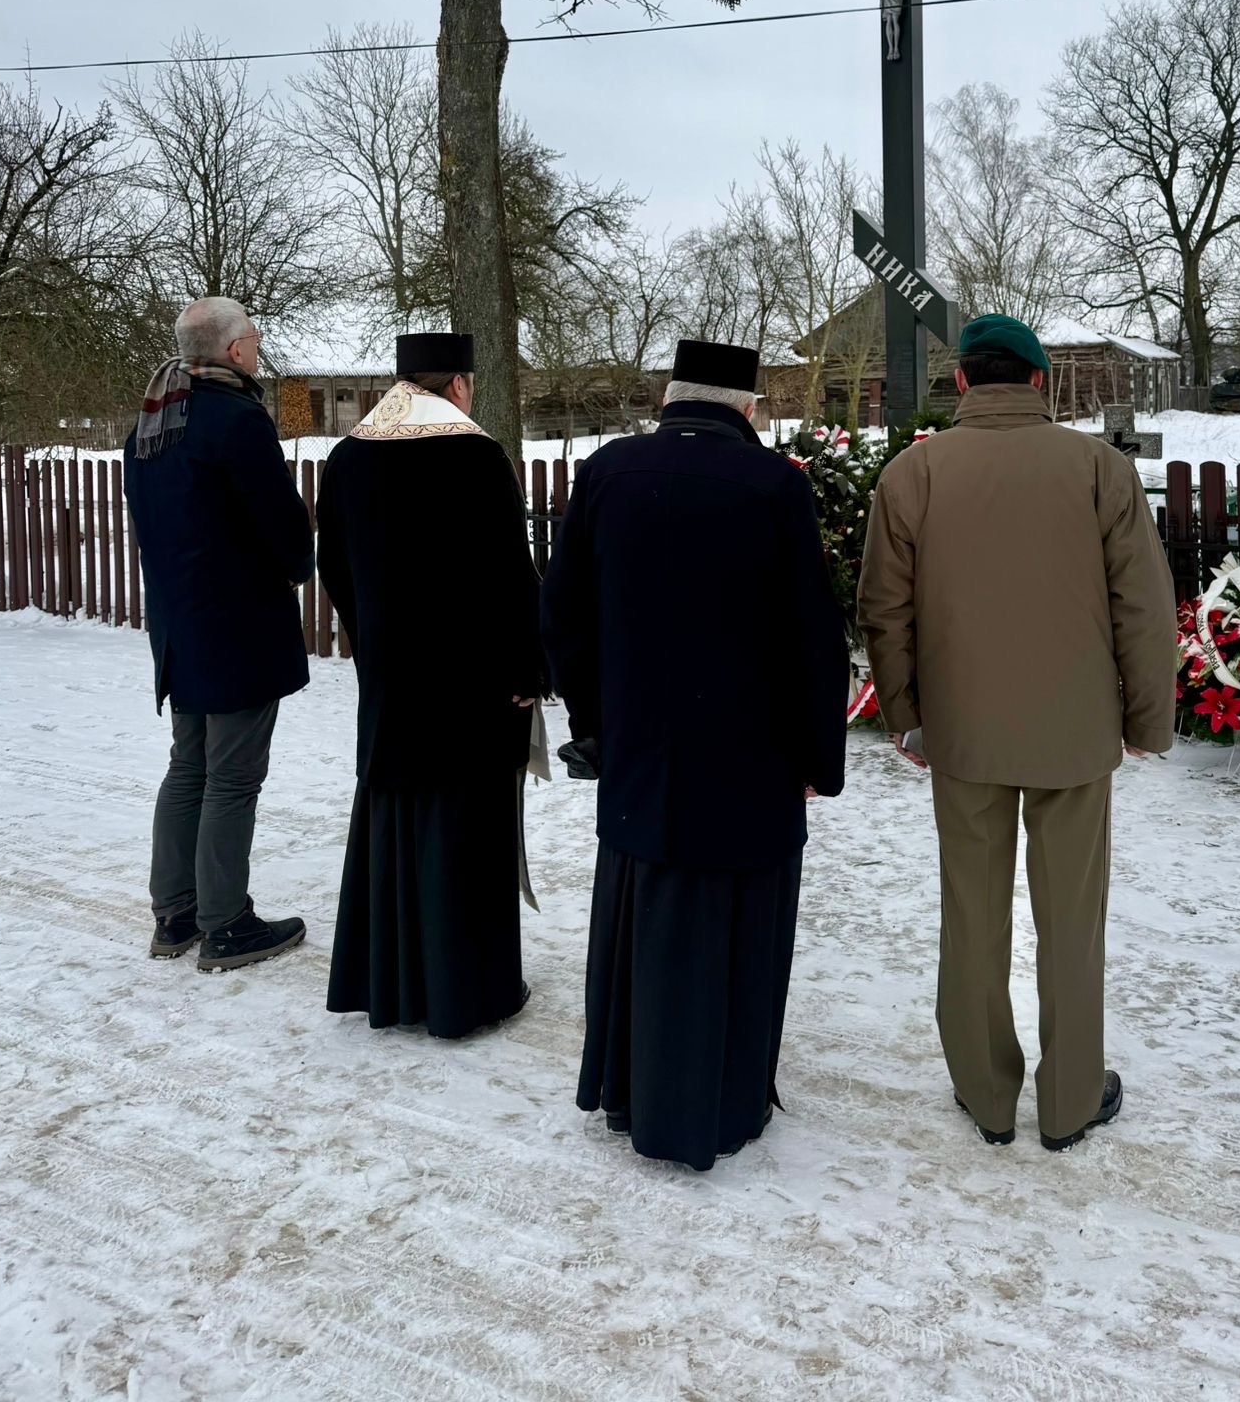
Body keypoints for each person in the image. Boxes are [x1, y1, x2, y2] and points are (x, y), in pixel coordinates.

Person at [857, 313, 1176, 1151]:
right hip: (1075, 731)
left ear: (962, 380)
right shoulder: (1099, 469)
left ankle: (985, 1091)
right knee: (1072, 918)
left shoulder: (913, 473)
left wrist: (906, 717)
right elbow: (1144, 606)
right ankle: (1070, 1100)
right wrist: (1148, 719)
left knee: (972, 913)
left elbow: (884, 609)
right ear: (1040, 381)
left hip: (962, 732)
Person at [541, 338, 850, 1171]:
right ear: (746, 408)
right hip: (749, 762)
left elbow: (563, 614)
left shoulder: (608, 472)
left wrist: (596, 724)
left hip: (641, 754)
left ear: (669, 399)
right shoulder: (773, 484)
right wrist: (817, 758)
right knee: (732, 931)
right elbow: (812, 637)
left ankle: (629, 1089)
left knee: (645, 921)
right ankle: (719, 1102)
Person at [315, 333, 546, 1040]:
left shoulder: (349, 456)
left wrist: (375, 642)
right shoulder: (476, 455)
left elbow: (335, 567)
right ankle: (464, 994)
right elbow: (510, 575)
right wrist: (528, 669)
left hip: (392, 680)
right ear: (458, 385)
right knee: (462, 834)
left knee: (394, 826)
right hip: (470, 686)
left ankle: (392, 983)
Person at [125, 296, 314, 972]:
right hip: (237, 628)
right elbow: (281, 521)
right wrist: (297, 564)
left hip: (180, 626)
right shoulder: (235, 418)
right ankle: (226, 924)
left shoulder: (152, 423)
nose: (257, 348)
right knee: (232, 777)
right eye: (254, 338)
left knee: (189, 766)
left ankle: (175, 913)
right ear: (234, 350)